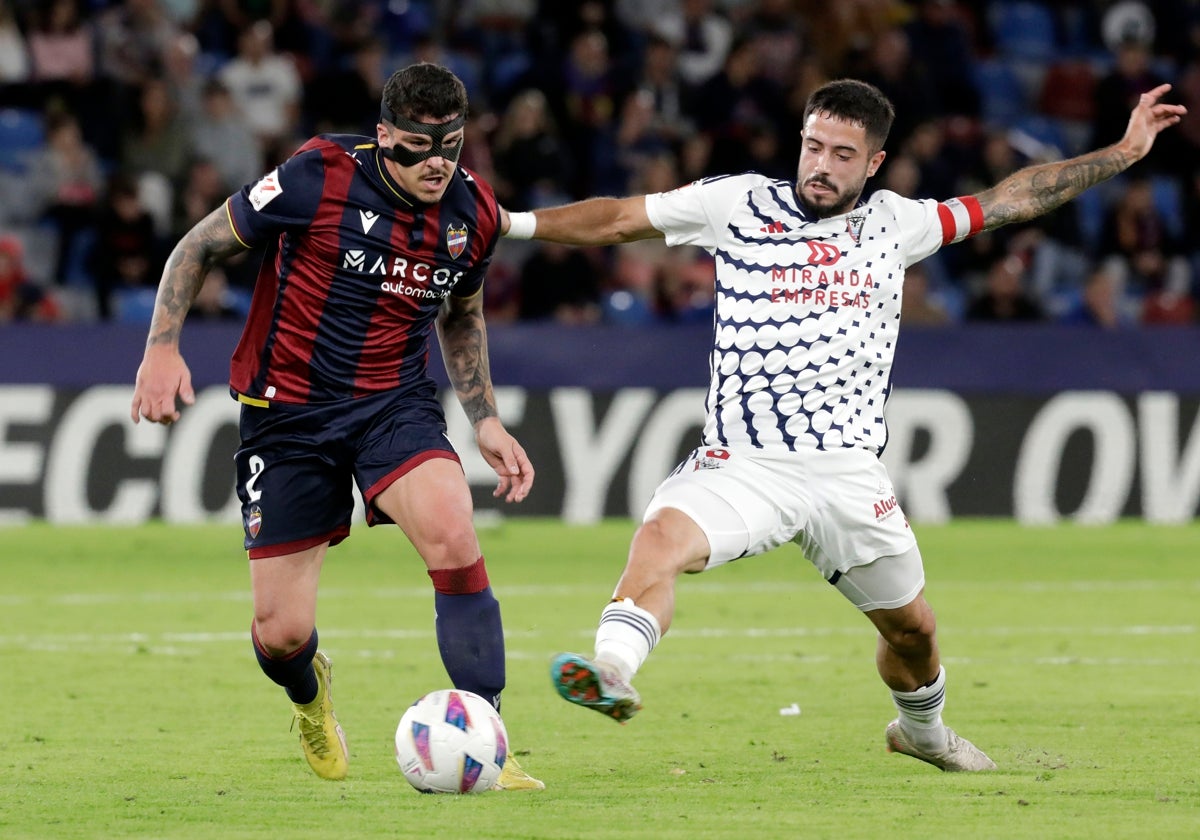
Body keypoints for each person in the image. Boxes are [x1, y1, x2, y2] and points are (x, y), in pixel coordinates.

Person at [501, 78, 1184, 772]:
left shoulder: (897, 223)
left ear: (874, 163)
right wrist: (513, 225)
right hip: (745, 461)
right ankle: (612, 669)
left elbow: (1012, 199)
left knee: (912, 631)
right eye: (813, 146)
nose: (821, 165)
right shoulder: (735, 203)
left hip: (848, 473)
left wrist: (1125, 150)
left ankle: (923, 731)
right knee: (660, 538)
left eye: (842, 154)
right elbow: (618, 218)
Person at [130, 62, 543, 790]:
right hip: (286, 414)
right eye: (418, 146)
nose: (436, 162)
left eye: (450, 144)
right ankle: (310, 695)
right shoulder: (316, 175)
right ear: (384, 137)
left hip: (393, 405)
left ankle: (488, 738)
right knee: (280, 634)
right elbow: (197, 246)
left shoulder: (472, 215)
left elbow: (461, 313)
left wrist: (484, 418)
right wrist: (161, 348)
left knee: (453, 531)